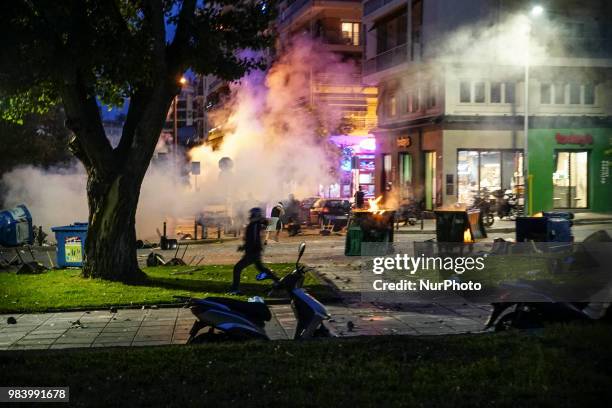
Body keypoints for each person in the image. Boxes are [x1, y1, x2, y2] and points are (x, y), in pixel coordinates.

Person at [230, 208, 274, 295]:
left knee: (237, 268)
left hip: (252, 253)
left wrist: (246, 248)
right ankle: (278, 281)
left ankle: (235, 289)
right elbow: (252, 239)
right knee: (261, 268)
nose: (250, 216)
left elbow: (253, 240)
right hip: (254, 252)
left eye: (252, 214)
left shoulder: (254, 225)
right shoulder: (255, 224)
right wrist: (243, 247)